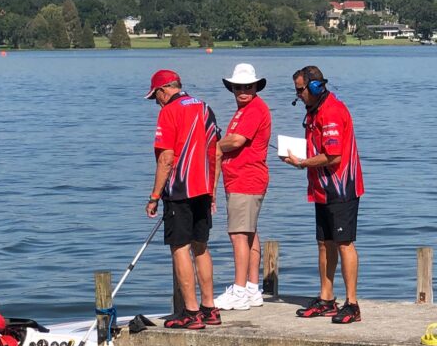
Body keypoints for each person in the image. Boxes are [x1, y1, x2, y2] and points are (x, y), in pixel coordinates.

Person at [282, 65, 364, 324]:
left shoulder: (330, 112)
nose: (298, 95)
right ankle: (326, 298)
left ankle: (352, 303)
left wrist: (302, 162)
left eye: (300, 90)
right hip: (322, 188)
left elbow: (334, 155)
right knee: (324, 243)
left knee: (344, 243)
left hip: (341, 187)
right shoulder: (314, 110)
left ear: (315, 87)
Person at [144, 69, 220, 330]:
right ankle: (210, 307)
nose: (157, 103)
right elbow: (215, 152)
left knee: (179, 248)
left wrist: (154, 196)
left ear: (163, 91)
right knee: (201, 246)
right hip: (204, 188)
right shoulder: (204, 107)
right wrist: (213, 190)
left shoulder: (169, 112)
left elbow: (166, 158)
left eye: (156, 97)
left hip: (179, 189)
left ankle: (191, 311)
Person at [214, 63, 271, 311]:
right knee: (249, 233)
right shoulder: (243, 110)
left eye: (248, 86)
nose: (243, 91)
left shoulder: (254, 109)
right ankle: (251, 288)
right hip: (241, 178)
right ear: (232, 88)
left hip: (246, 179)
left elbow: (236, 140)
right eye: (239, 87)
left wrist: (215, 145)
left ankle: (239, 291)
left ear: (256, 86)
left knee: (238, 234)